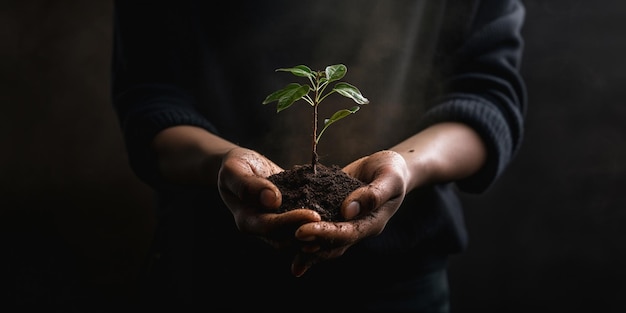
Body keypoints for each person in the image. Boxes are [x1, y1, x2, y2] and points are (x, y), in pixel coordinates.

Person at [111, 0, 526, 312]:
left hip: (397, 287)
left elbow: (485, 97)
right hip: (207, 277)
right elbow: (150, 97)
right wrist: (223, 163)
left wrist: (405, 165)